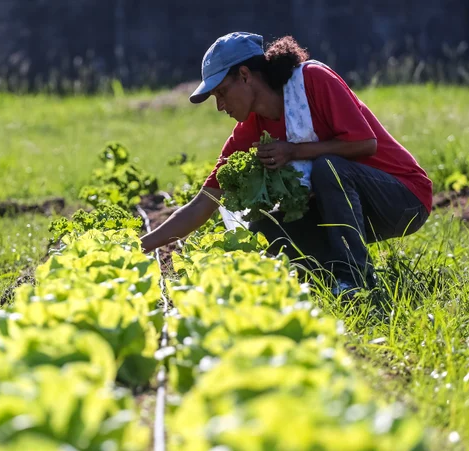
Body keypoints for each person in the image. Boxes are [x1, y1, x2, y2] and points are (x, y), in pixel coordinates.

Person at [140, 31, 432, 294]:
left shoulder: (313, 80)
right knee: (264, 230)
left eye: (222, 93)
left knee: (328, 167)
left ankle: (356, 279)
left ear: (244, 75)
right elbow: (204, 203)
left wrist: (293, 151)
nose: (220, 106)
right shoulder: (249, 132)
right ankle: (329, 279)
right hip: (354, 208)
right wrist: (142, 246)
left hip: (403, 198)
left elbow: (365, 143)